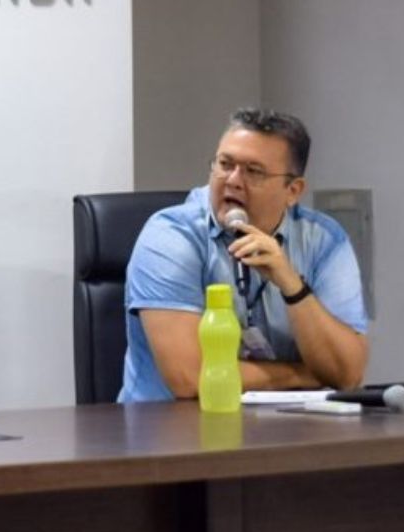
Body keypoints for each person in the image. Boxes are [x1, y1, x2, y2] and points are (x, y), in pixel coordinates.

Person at [121, 108, 368, 401]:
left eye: (254, 171)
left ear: (293, 190)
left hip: (285, 424)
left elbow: (348, 375)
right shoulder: (170, 236)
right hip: (170, 425)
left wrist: (292, 285)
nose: (233, 181)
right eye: (225, 164)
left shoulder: (324, 240)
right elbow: (190, 379)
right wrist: (304, 375)